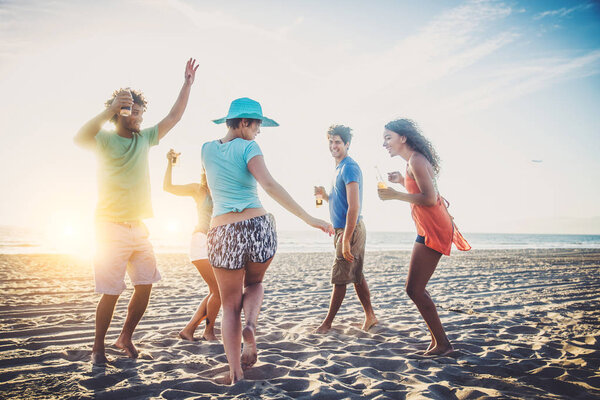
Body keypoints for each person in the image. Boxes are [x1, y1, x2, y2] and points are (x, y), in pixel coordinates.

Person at [74, 59, 199, 365]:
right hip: (109, 227)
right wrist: (109, 109)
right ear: (119, 112)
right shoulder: (104, 139)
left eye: (141, 112)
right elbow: (79, 138)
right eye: (131, 111)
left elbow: (174, 117)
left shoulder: (144, 139)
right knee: (112, 292)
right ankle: (98, 348)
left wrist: (187, 84)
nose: (139, 117)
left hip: (139, 228)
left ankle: (125, 336)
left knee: (145, 285)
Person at [202, 97, 334, 384]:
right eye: (258, 124)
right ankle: (251, 325)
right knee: (255, 284)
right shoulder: (249, 146)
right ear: (245, 122)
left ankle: (235, 370)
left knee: (229, 305)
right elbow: (270, 184)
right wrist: (309, 218)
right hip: (257, 227)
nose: (259, 131)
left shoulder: (206, 150)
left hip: (222, 232)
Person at [378, 118, 470, 356]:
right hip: (431, 226)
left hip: (434, 228)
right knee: (415, 288)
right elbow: (421, 189)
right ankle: (438, 342)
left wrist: (395, 195)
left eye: (388, 137)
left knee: (414, 289)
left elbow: (429, 199)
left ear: (403, 138)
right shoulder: (413, 162)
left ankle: (443, 344)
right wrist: (402, 181)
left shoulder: (416, 160)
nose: (384, 143)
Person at [313, 125, 378, 334]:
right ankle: (371, 316)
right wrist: (324, 196)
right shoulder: (338, 168)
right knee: (357, 275)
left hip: (350, 230)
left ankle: (327, 323)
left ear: (347, 144)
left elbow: (354, 206)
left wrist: (346, 238)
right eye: (331, 141)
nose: (334, 145)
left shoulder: (350, 167)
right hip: (344, 230)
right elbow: (339, 201)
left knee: (340, 277)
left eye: (338, 142)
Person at [163, 149, 221, 341]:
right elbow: (168, 187)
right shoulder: (199, 189)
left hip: (216, 244)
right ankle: (208, 331)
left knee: (216, 290)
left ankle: (189, 330)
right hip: (200, 240)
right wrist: (170, 164)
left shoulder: (223, 190)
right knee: (219, 290)